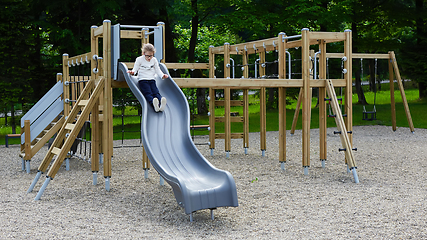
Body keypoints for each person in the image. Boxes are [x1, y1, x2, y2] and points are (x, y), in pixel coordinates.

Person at [127, 43, 168, 112]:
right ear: (143, 53)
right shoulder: (139, 59)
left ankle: (161, 102)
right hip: (143, 80)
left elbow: (158, 70)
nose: (149, 58)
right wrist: (132, 72)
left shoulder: (154, 60)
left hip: (152, 79)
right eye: (147, 56)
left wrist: (162, 75)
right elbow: (135, 69)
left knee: (156, 92)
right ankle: (154, 104)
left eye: (151, 56)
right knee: (148, 92)